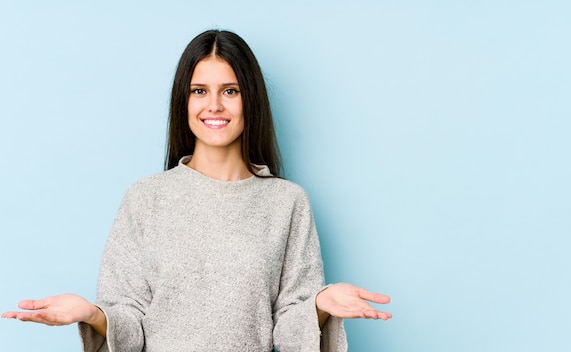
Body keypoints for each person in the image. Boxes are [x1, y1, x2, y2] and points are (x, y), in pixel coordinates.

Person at [1, 29, 391, 352]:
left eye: (230, 91)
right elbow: (131, 322)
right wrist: (92, 314)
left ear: (250, 99)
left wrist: (318, 306)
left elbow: (288, 331)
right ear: (183, 101)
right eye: (199, 91)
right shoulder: (146, 198)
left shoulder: (287, 202)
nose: (214, 106)